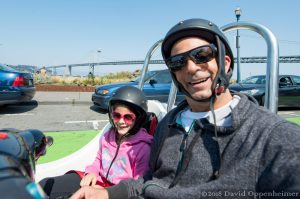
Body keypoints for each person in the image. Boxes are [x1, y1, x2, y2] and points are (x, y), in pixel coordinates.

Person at [70, 18, 300, 199]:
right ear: (174, 73)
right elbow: (149, 179)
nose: (191, 68)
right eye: (178, 62)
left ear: (225, 63)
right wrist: (108, 193)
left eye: (202, 55)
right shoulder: (168, 124)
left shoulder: (274, 136)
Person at [40, 86, 153, 198]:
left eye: (128, 117)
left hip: (117, 193)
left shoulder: (143, 148)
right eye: (117, 115)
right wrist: (92, 172)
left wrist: (106, 191)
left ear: (138, 118)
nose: (121, 121)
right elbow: (99, 159)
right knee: (44, 185)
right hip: (97, 180)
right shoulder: (108, 136)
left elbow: (137, 186)